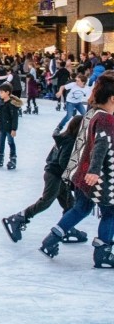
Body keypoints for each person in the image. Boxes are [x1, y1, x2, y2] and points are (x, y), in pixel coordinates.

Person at [40, 71, 114, 268]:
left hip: (82, 174)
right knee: (110, 212)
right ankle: (103, 253)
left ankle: (51, 239)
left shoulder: (91, 113)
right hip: (98, 178)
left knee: (81, 208)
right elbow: (101, 145)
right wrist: (95, 171)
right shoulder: (106, 119)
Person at [2, 115, 85, 243]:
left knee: (70, 204)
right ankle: (17, 218)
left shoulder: (64, 137)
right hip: (55, 176)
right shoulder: (70, 141)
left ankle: (68, 228)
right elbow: (64, 162)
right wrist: (76, 171)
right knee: (46, 201)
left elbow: (51, 157)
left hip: (57, 175)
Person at [0, 83, 22, 170]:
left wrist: (14, 129)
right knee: (1, 142)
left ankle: (13, 159)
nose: (0, 94)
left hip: (9, 128)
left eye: (1, 92)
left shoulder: (12, 104)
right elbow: (0, 116)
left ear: (7, 92)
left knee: (11, 143)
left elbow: (15, 118)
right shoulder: (1, 103)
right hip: (2, 127)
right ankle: (0, 158)